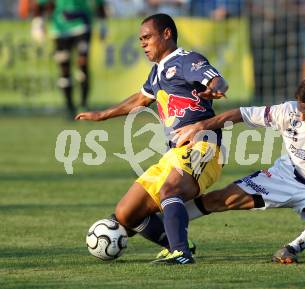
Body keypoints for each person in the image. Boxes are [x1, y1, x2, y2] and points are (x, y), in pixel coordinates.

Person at [174, 76, 305, 264]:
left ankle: (291, 249)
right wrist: (202, 127)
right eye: (301, 111)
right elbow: (242, 114)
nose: (302, 118)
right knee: (219, 199)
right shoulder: (288, 111)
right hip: (283, 177)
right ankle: (161, 226)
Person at [75, 13, 228, 265]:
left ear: (166, 34)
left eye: (147, 37)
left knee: (170, 189)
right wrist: (103, 115)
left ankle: (180, 254)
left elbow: (216, 78)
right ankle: (175, 242)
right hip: (174, 153)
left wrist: (217, 86)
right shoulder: (157, 71)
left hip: (203, 145)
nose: (143, 43)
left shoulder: (187, 60)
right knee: (126, 214)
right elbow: (139, 99)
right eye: (140, 40)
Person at [32, 0, 107, 118]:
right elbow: (40, 4)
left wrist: (103, 23)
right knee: (64, 69)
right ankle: (69, 107)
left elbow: (99, 3)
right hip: (60, 29)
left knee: (82, 63)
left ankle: (83, 105)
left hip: (82, 25)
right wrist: (37, 23)